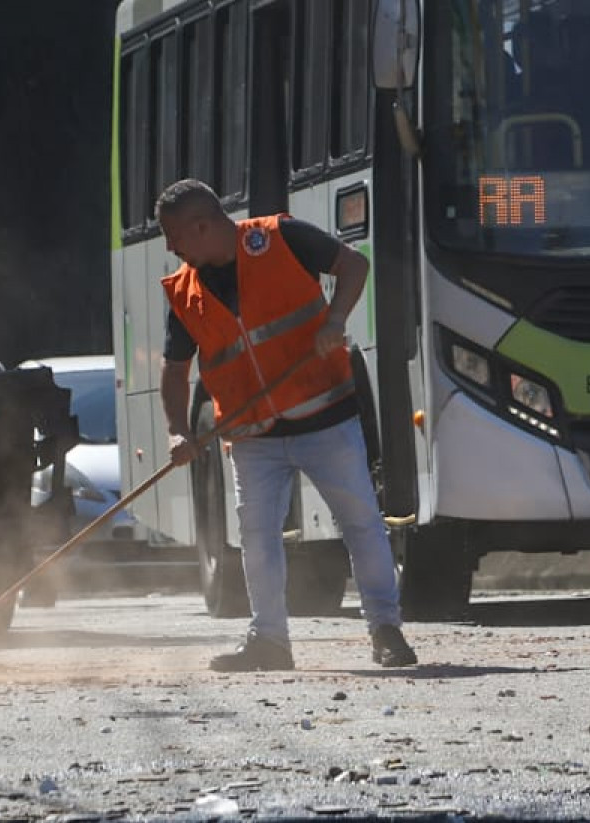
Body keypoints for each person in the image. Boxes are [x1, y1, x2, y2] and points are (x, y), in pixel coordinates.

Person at [155, 179, 417, 671]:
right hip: (252, 435)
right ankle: (269, 641)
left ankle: (386, 630)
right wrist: (178, 431)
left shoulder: (279, 238)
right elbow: (174, 372)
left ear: (203, 225)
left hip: (325, 419)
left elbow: (353, 265)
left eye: (175, 235)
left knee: (360, 521)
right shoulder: (184, 293)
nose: (170, 247)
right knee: (257, 536)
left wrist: (336, 319)